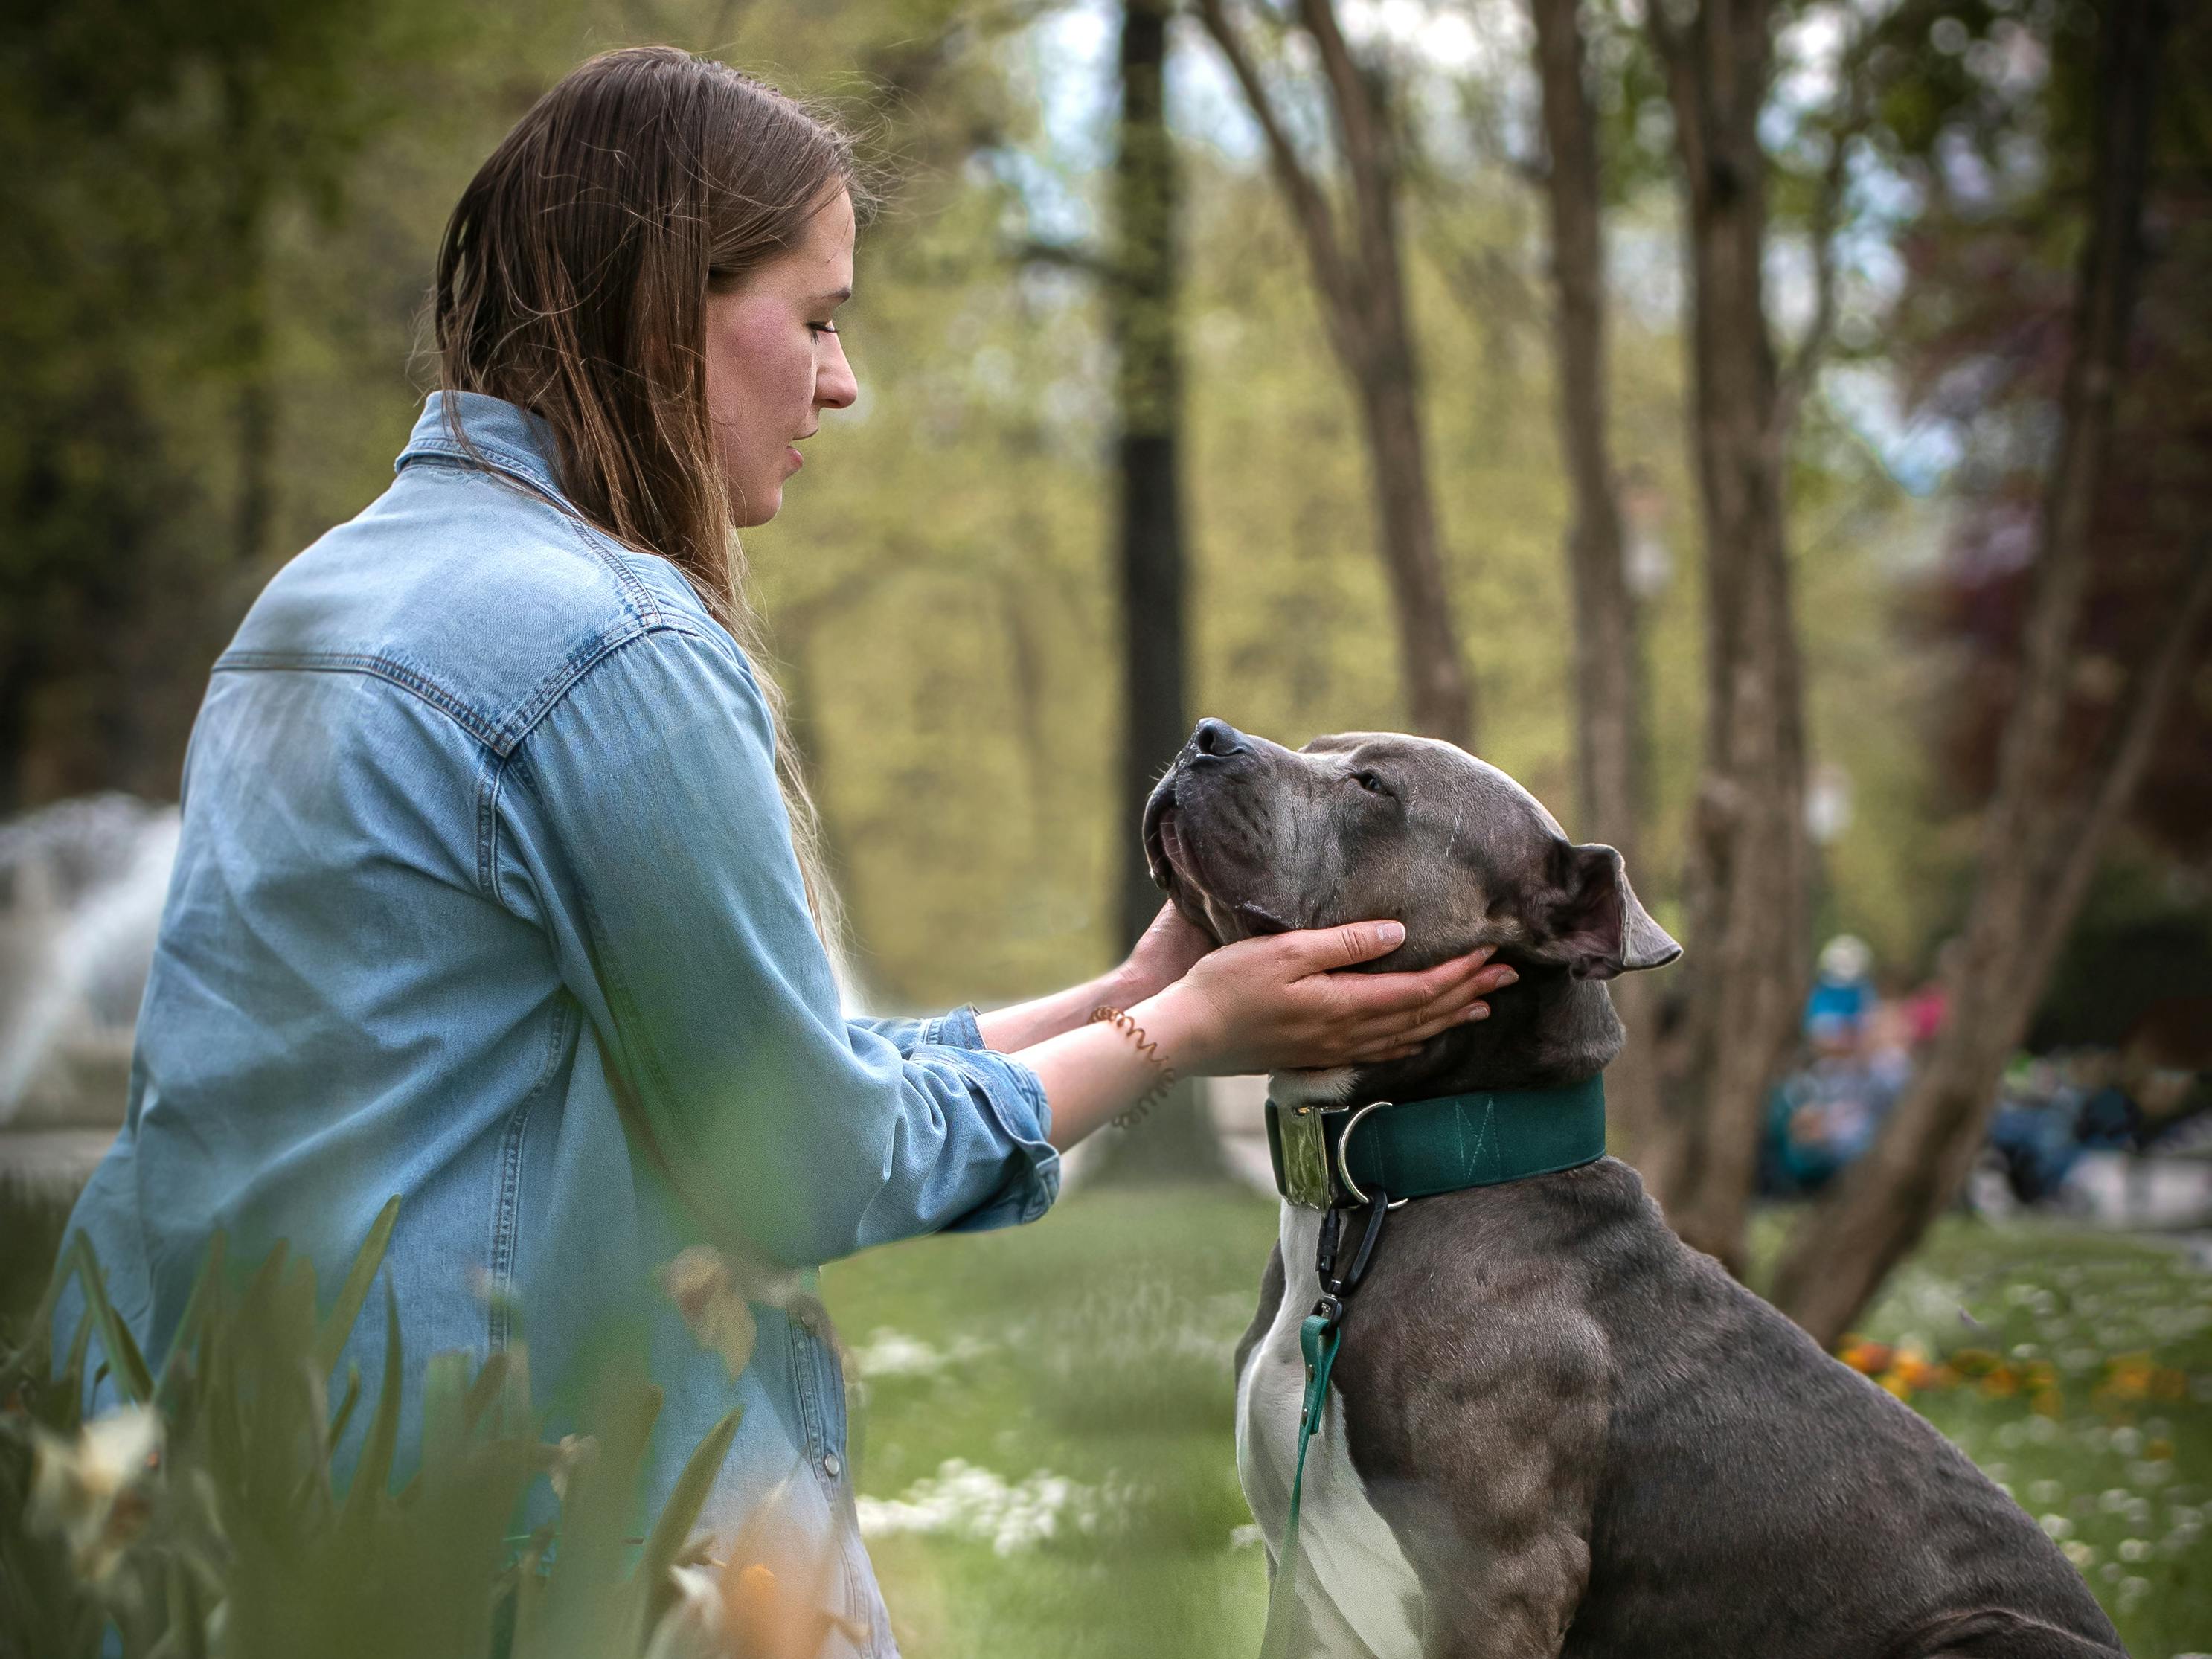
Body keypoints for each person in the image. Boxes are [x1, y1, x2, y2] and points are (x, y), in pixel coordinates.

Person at [55, 47, 1513, 1652]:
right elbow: (803, 1157)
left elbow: (744, 1077)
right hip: (517, 1545)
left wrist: (1130, 993)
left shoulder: (314, 607)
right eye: (813, 317)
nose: (843, 380)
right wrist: (1194, 1032)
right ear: (667, 301)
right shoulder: (607, 646)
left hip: (237, 1519)